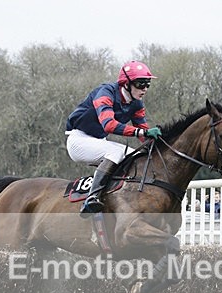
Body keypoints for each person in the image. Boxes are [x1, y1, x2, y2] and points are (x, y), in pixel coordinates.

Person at [65, 60, 162, 217]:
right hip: (78, 140)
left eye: (147, 84)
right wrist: (142, 133)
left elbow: (144, 133)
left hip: (98, 141)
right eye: (140, 84)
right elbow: (109, 125)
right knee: (117, 153)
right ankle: (91, 198)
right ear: (126, 83)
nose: (144, 89)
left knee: (136, 157)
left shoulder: (136, 104)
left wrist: (158, 143)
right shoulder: (105, 92)